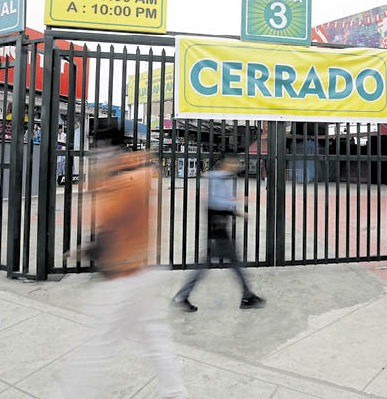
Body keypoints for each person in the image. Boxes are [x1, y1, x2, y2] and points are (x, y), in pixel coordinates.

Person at [59, 123, 188, 399]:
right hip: (142, 269)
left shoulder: (122, 181)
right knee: (157, 339)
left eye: (97, 147)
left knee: (97, 345)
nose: (94, 154)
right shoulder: (134, 174)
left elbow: (106, 219)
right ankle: (176, 394)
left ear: (108, 148)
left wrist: (97, 181)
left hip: (123, 277)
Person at [171, 155, 265, 312]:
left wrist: (236, 210)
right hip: (217, 231)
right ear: (226, 163)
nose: (237, 164)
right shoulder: (217, 179)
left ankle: (248, 296)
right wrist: (237, 205)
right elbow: (216, 203)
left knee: (228, 264)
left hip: (219, 231)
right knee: (211, 266)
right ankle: (247, 297)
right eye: (234, 161)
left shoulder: (224, 178)